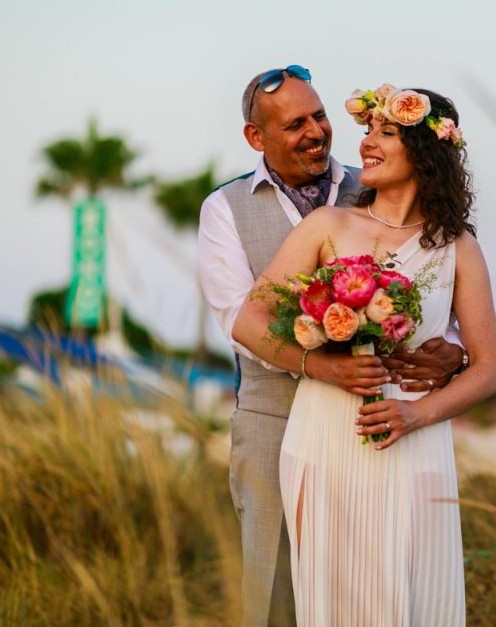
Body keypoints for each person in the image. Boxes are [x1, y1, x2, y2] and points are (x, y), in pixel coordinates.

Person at [198, 67, 465, 626]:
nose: (317, 131)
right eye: (296, 124)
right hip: (275, 415)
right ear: (257, 138)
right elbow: (237, 319)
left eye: (319, 116)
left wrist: (454, 352)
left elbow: (435, 287)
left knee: (372, 587)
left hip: (378, 422)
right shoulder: (225, 209)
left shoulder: (376, 187)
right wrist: (318, 365)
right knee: (275, 594)